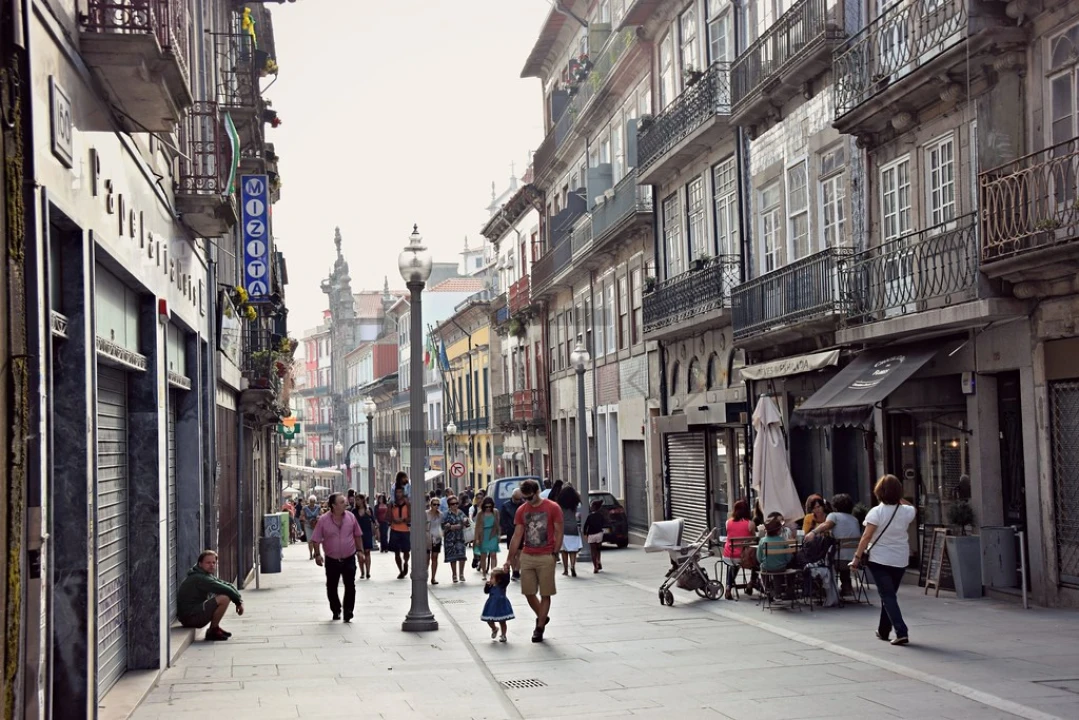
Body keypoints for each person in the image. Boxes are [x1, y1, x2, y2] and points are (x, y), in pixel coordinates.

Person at [852, 474, 917, 646]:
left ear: (879, 491)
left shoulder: (876, 512)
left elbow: (866, 537)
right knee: (889, 595)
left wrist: (856, 558)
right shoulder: (907, 511)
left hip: (880, 560)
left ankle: (901, 631)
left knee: (887, 595)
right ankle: (883, 630)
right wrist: (897, 496)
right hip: (900, 559)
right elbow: (910, 507)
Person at [505, 479, 563, 643]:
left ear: (537, 492)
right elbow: (517, 536)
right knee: (528, 592)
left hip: (546, 555)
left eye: (530, 497)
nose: (527, 501)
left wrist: (555, 553)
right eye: (525, 498)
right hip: (528, 555)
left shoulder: (552, 507)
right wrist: (509, 559)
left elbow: (559, 531)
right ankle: (543, 616)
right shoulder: (522, 510)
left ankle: (539, 627)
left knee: (546, 593)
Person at [311, 492, 364, 622]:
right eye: (341, 502)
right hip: (332, 559)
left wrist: (360, 551)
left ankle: (348, 611)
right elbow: (316, 539)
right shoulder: (323, 520)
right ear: (333, 506)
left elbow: (357, 535)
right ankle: (336, 609)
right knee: (331, 586)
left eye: (344, 501)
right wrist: (317, 555)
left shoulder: (351, 517)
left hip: (349, 557)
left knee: (350, 585)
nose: (345, 504)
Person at [176, 550, 244, 641]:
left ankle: (215, 628)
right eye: (208, 563)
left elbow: (228, 585)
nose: (212, 565)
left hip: (193, 613)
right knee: (224, 598)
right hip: (190, 618)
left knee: (224, 596)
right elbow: (226, 589)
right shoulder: (200, 578)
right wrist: (238, 603)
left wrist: (239, 600)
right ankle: (213, 630)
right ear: (200, 564)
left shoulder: (204, 574)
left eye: (214, 562)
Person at [804, 493, 861, 595]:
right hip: (854, 561)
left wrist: (813, 532)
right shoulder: (854, 519)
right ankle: (846, 586)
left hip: (838, 561)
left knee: (820, 556)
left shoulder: (833, 516)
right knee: (840, 552)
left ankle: (821, 588)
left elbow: (826, 525)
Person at [722, 499, 756, 600]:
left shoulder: (728, 522)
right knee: (757, 562)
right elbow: (753, 538)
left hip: (728, 556)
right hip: (744, 558)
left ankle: (728, 588)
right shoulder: (750, 524)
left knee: (733, 566)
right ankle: (751, 583)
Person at [481, 567, 514, 643]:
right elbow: (486, 592)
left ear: (499, 579)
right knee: (489, 620)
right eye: (490, 577)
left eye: (492, 578)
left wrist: (507, 572)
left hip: (501, 605)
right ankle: (494, 628)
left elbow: (507, 580)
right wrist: (486, 586)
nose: (490, 579)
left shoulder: (502, 586)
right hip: (492, 605)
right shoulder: (491, 586)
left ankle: (503, 635)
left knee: (502, 621)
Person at [441, 495, 470, 582]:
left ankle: (461, 574)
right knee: (452, 557)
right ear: (449, 505)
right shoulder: (446, 514)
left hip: (460, 537)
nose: (455, 505)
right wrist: (450, 527)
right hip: (450, 538)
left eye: (456, 503)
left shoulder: (461, 512)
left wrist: (465, 522)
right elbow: (442, 526)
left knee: (462, 556)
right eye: (453, 504)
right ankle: (454, 575)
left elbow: (467, 523)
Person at [557, 485, 583, 577]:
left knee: (564, 550)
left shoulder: (560, 504)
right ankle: (572, 566)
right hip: (573, 527)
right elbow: (579, 513)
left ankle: (565, 570)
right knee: (573, 550)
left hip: (563, 528)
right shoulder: (575, 504)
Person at [500, 489, 524, 580]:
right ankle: (515, 571)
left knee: (520, 552)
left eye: (520, 499)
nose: (518, 501)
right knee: (512, 552)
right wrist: (506, 528)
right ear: (512, 497)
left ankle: (517, 570)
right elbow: (503, 519)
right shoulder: (506, 505)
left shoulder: (523, 504)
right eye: (516, 499)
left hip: (522, 530)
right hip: (511, 531)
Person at [389, 485, 412, 579]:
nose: (398, 494)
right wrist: (393, 520)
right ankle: (401, 570)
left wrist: (403, 519)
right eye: (397, 492)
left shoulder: (407, 504)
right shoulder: (392, 503)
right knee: (396, 552)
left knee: (406, 551)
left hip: (405, 530)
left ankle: (406, 563)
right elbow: (388, 516)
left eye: (400, 492)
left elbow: (410, 517)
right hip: (394, 530)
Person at [350, 493, 375, 580]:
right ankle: (362, 572)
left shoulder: (368, 509)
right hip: (357, 535)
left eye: (358, 500)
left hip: (367, 533)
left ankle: (368, 571)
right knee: (360, 553)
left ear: (363, 500)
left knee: (367, 552)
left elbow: (374, 520)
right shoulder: (354, 511)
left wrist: (370, 515)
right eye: (356, 500)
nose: (357, 502)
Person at [477, 496, 500, 578]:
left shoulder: (495, 512)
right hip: (483, 534)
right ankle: (484, 573)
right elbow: (477, 526)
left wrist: (498, 535)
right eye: (486, 506)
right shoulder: (480, 514)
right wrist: (477, 538)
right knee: (484, 555)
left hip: (493, 534)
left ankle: (493, 572)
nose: (488, 508)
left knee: (493, 554)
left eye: (490, 506)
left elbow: (497, 524)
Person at [583, 499, 605, 574]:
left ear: (594, 507)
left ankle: (595, 567)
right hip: (599, 534)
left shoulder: (590, 516)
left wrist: (585, 534)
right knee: (598, 549)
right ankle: (598, 560)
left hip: (591, 535)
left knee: (593, 551)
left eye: (591, 505)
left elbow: (585, 526)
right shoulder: (600, 515)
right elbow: (603, 524)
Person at [426, 496, 443, 585]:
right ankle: (425, 575)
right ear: (431, 505)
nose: (436, 506)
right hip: (427, 537)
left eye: (438, 504)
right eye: (434, 504)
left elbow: (442, 526)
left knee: (435, 558)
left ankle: (433, 578)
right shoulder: (426, 514)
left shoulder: (440, 515)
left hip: (437, 538)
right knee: (427, 559)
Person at [302, 496, 321, 560]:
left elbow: (321, 515)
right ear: (309, 502)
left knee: (316, 540)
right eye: (311, 502)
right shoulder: (305, 508)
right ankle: (310, 554)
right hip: (308, 525)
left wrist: (318, 518)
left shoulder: (318, 507)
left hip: (316, 525)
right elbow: (302, 516)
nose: (312, 503)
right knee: (310, 540)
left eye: (313, 502)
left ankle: (316, 553)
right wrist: (305, 520)